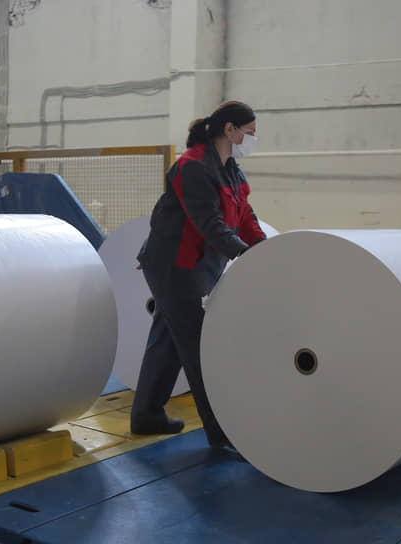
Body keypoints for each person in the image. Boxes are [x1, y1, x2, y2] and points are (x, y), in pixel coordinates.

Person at [130, 101, 266, 449]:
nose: (253, 139)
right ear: (230, 130)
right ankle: (223, 433)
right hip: (175, 265)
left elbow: (244, 215)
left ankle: (146, 415)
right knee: (199, 347)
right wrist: (244, 253)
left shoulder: (231, 169)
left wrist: (264, 248)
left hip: (197, 264)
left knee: (168, 339)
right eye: (250, 132)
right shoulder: (191, 166)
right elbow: (209, 222)